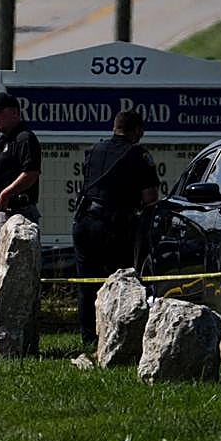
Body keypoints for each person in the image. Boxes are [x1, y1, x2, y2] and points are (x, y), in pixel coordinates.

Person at [72, 109, 161, 346]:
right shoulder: (139, 155)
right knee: (119, 282)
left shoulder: (94, 150)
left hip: (84, 223)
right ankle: (115, 338)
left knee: (86, 284)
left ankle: (89, 339)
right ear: (136, 131)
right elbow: (150, 197)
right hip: (115, 227)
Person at [0, 91, 41, 240]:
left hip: (19, 212)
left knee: (16, 261)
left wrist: (6, 193)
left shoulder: (24, 138)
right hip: (2, 214)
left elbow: (31, 173)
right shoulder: (2, 140)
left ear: (14, 112)